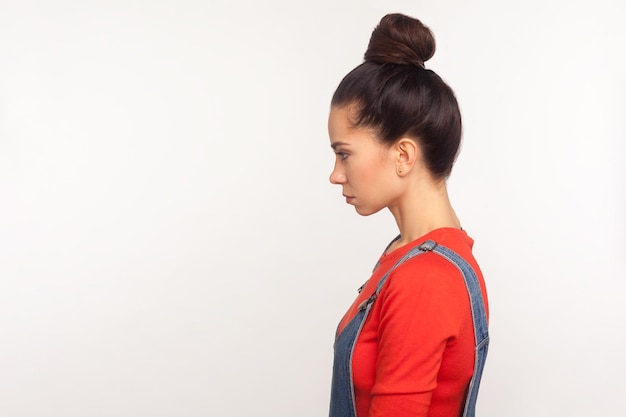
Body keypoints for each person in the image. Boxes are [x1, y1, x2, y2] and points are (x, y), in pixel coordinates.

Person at [327, 13, 489, 417]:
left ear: (402, 155)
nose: (335, 174)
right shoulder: (411, 253)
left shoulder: (425, 277)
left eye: (344, 153)